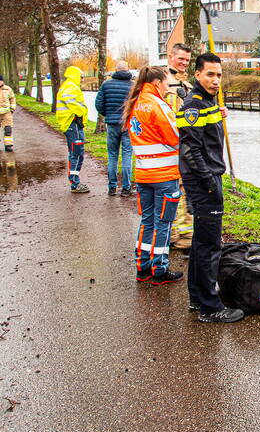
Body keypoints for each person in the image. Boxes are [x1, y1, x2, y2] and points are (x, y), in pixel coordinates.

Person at [177, 53, 243, 323]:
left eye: (219, 75)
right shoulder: (193, 105)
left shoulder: (207, 102)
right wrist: (208, 182)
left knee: (201, 242)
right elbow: (190, 149)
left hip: (208, 177)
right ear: (197, 75)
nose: (216, 80)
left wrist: (217, 112)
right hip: (203, 181)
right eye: (210, 75)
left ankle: (197, 297)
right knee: (209, 244)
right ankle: (210, 307)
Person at [122, 66, 184, 285]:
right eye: (166, 83)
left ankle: (143, 267)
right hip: (164, 175)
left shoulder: (135, 103)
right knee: (163, 223)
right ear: (157, 83)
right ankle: (160, 269)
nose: (168, 88)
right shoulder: (158, 105)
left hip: (143, 174)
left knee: (147, 221)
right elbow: (175, 136)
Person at [163, 43, 195, 253]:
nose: (184, 63)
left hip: (186, 145)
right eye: (180, 58)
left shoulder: (188, 84)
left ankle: (185, 238)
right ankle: (172, 236)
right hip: (170, 146)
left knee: (186, 190)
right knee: (172, 190)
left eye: (187, 60)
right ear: (170, 57)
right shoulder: (163, 83)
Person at [95, 61, 135, 196]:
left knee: (112, 155)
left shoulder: (106, 84)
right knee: (127, 154)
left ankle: (112, 187)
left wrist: (108, 114)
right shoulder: (133, 86)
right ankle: (126, 188)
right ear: (127, 69)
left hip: (112, 124)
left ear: (116, 70)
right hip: (127, 123)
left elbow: (98, 104)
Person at [55, 66, 90, 193]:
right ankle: (75, 183)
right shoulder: (71, 87)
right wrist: (82, 111)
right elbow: (74, 104)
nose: (82, 79)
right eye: (81, 76)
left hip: (71, 123)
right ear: (75, 75)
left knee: (75, 153)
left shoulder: (67, 85)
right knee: (77, 153)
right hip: (72, 123)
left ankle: (75, 181)